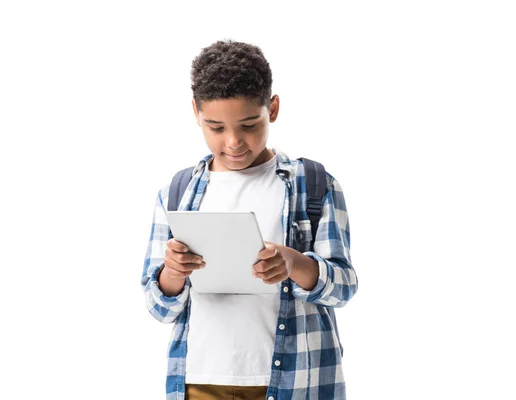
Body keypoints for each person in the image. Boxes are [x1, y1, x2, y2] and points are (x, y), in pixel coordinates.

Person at [140, 39, 358, 400]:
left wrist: (295, 263)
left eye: (249, 124)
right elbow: (158, 306)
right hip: (200, 380)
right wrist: (174, 273)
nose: (234, 141)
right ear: (195, 112)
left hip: (297, 381)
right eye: (216, 127)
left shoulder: (314, 184)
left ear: (272, 109)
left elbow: (345, 286)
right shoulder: (178, 191)